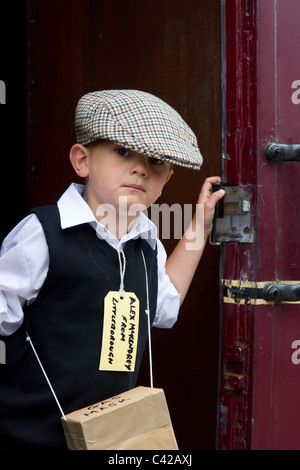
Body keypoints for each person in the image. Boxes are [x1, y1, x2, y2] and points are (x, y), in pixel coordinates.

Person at [0, 89, 224, 449]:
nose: (140, 168)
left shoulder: (147, 243)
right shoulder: (41, 234)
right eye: (122, 152)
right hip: (31, 434)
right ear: (82, 161)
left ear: (166, 180)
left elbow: (165, 305)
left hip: (112, 440)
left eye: (155, 160)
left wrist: (200, 227)